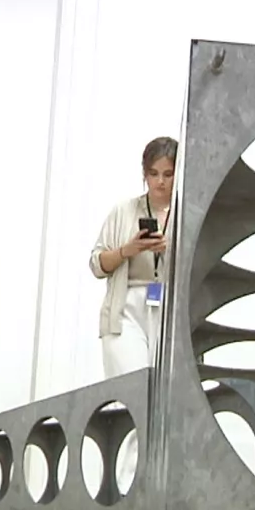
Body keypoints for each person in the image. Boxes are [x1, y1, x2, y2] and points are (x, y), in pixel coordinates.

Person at [88, 136, 177, 377]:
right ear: (144, 174)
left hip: (170, 310)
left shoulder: (187, 215)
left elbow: (201, 267)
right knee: (132, 384)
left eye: (168, 174)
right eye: (153, 173)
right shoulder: (123, 211)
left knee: (166, 388)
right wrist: (127, 250)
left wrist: (170, 250)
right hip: (125, 308)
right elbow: (96, 264)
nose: (160, 181)